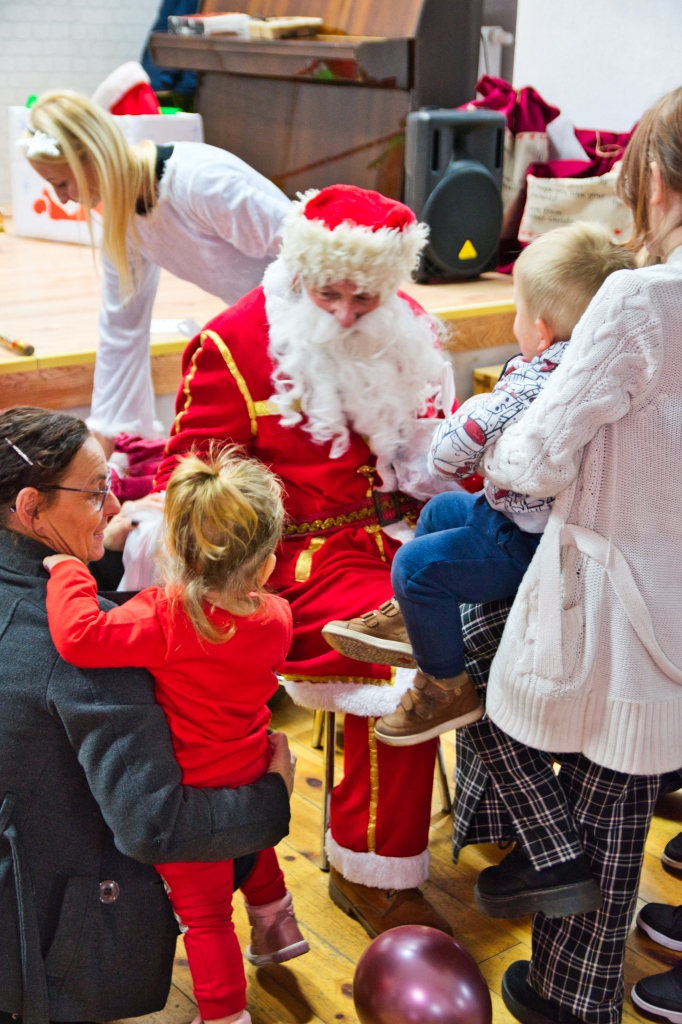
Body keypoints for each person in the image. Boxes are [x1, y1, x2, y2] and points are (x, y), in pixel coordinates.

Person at [124, 184, 463, 937]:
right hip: (290, 564)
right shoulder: (234, 344)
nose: (344, 313)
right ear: (301, 270)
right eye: (329, 293)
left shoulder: (407, 326)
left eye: (364, 298)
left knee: (515, 607)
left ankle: (501, 819)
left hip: (406, 539)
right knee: (404, 650)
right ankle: (371, 868)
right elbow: (189, 482)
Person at [461, 85, 682, 1024]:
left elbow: (537, 457)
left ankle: (556, 907)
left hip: (615, 587)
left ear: (657, 180)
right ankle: (579, 993)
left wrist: (494, 435)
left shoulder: (642, 297)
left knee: (468, 644)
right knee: (625, 789)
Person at [0, 406, 294, 1024]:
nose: (113, 506)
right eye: (96, 490)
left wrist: (81, 568)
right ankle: (262, 944)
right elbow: (154, 828)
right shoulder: (274, 616)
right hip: (54, 941)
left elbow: (95, 622)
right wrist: (274, 797)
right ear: (30, 507)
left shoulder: (140, 619)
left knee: (208, 902)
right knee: (216, 898)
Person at [323, 223, 635, 746]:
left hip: (532, 547)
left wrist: (476, 413)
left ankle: (446, 686)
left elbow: (446, 457)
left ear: (540, 332)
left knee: (414, 565)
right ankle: (411, 621)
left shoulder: (532, 383)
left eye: (516, 312)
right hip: (527, 518)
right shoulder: (611, 368)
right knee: (439, 513)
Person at [19, 90, 290, 447]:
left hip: (316, 318)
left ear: (95, 157)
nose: (62, 199)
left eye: (61, 184)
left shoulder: (200, 183)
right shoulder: (123, 220)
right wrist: (108, 435)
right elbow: (121, 327)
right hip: (270, 329)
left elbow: (309, 249)